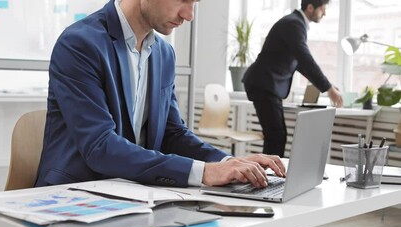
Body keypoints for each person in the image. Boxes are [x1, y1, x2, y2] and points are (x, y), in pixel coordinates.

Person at [34, 0, 286, 189]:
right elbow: (100, 146)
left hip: (135, 192)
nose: (189, 15)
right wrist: (204, 172)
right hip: (75, 195)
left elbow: (172, 133)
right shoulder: (80, 44)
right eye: (183, 0)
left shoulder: (164, 55)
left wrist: (228, 163)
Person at [242, 0, 343, 158]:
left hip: (265, 84)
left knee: (277, 135)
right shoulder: (294, 24)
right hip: (264, 84)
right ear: (310, 8)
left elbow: (299, 64)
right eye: (323, 9)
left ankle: (270, 176)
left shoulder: (295, 23)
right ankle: (269, 178)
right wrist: (328, 89)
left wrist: (327, 86)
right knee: (276, 136)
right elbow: (305, 59)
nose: (325, 13)